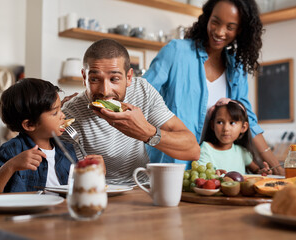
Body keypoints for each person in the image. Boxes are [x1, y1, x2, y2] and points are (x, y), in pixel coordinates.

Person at [143, 0, 284, 175]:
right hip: (173, 165)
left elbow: (250, 121)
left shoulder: (236, 69)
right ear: (207, 17)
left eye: (230, 27)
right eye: (215, 21)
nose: (219, 32)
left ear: (240, 30)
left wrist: (278, 168)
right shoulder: (176, 52)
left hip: (213, 173)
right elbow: (141, 95)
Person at [61, 39, 200, 185]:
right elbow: (64, 174)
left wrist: (145, 132)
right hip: (99, 191)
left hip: (142, 188)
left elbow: (193, 150)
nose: (105, 91)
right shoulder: (70, 114)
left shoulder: (142, 91)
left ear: (128, 78)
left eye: (114, 79)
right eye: (95, 79)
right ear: (84, 78)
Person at [0, 78, 103, 193]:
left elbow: (79, 191)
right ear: (29, 124)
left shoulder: (68, 150)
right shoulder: (11, 151)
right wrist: (10, 166)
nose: (63, 116)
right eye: (55, 113)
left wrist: (96, 173)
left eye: (60, 109)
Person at [198, 99, 271, 175]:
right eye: (220, 122)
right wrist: (213, 174)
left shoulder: (242, 152)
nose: (226, 128)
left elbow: (257, 171)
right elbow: (202, 175)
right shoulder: (206, 149)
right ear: (213, 125)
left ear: (243, 127)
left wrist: (263, 172)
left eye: (232, 123)